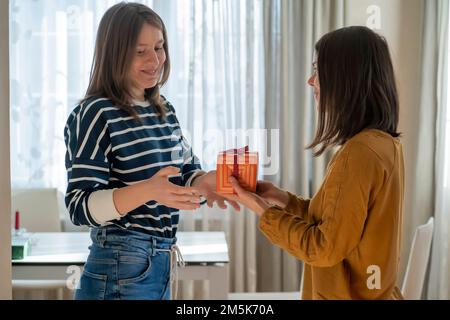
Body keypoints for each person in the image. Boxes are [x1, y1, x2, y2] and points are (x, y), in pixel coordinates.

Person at [64, 2, 238, 300]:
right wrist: (148, 190)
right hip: (120, 264)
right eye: (140, 51)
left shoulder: (164, 109)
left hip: (161, 262)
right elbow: (80, 208)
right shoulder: (95, 113)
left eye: (159, 47)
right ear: (115, 54)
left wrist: (203, 182)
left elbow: (183, 174)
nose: (155, 60)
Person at [227, 26, 405, 300]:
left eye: (318, 71)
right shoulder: (384, 144)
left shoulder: (359, 153)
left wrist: (262, 211)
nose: (311, 81)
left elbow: (323, 247)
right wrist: (282, 198)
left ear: (345, 78)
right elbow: (340, 225)